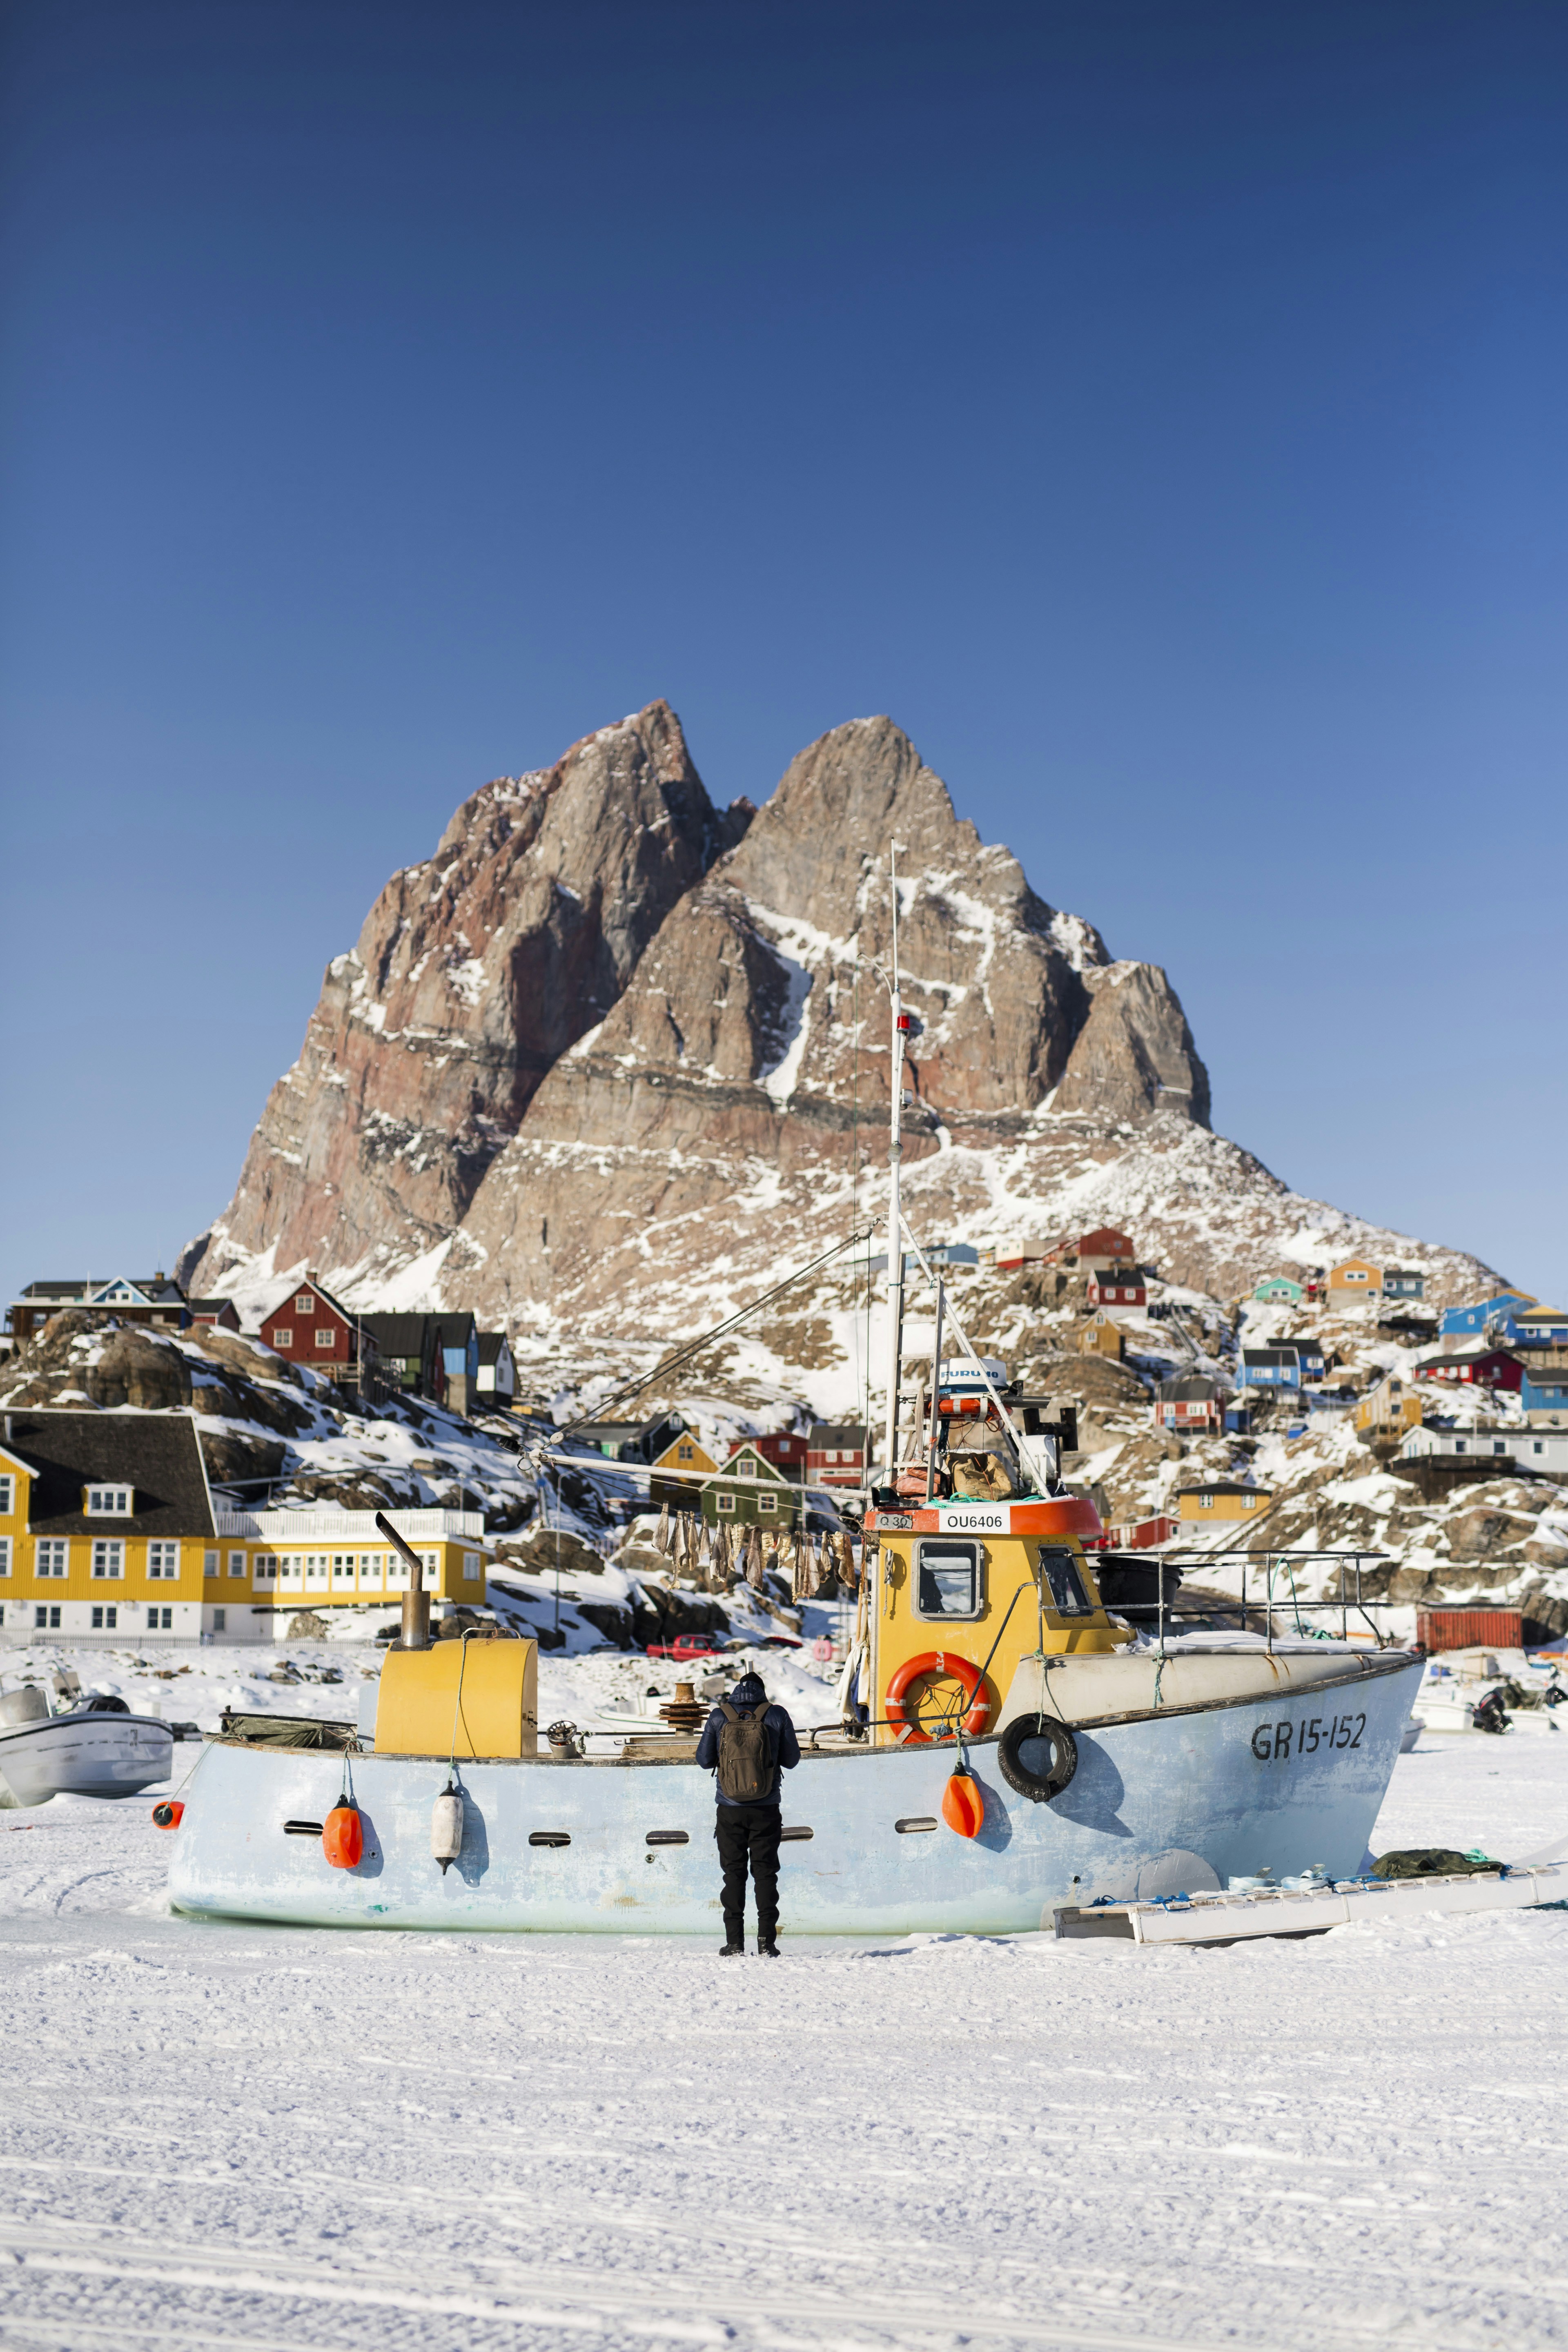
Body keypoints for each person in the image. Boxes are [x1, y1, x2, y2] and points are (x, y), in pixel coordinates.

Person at [694, 1669, 800, 1956]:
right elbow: (792, 1761)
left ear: (736, 1691)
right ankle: (767, 1944)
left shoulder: (719, 1716)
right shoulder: (776, 1714)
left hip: (729, 1810)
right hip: (766, 1808)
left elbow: (704, 1761)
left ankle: (735, 1944)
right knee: (766, 1875)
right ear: (762, 1691)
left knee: (733, 1875)